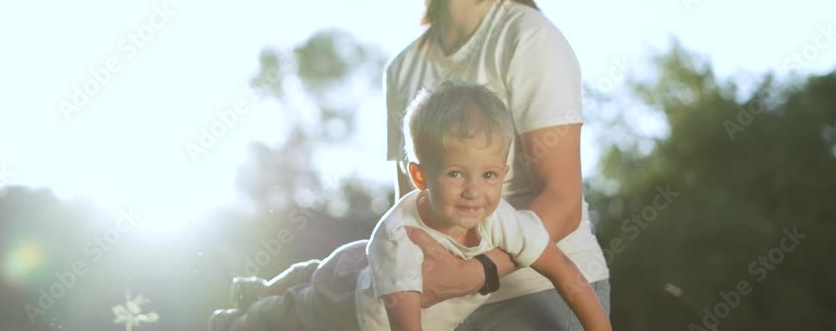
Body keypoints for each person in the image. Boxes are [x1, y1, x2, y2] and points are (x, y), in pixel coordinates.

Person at [383, 0, 611, 330]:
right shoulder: (403, 69)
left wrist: (478, 271)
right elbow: (411, 211)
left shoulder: (527, 38)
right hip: (448, 303)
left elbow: (563, 200)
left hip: (541, 290)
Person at [207, 82, 612, 331]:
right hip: (345, 310)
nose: (474, 192)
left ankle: (261, 287)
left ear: (502, 173)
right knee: (288, 314)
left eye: (489, 176)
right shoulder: (401, 241)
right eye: (456, 174)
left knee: (318, 269)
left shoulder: (500, 217)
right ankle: (234, 319)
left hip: (357, 265)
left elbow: (566, 274)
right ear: (420, 177)